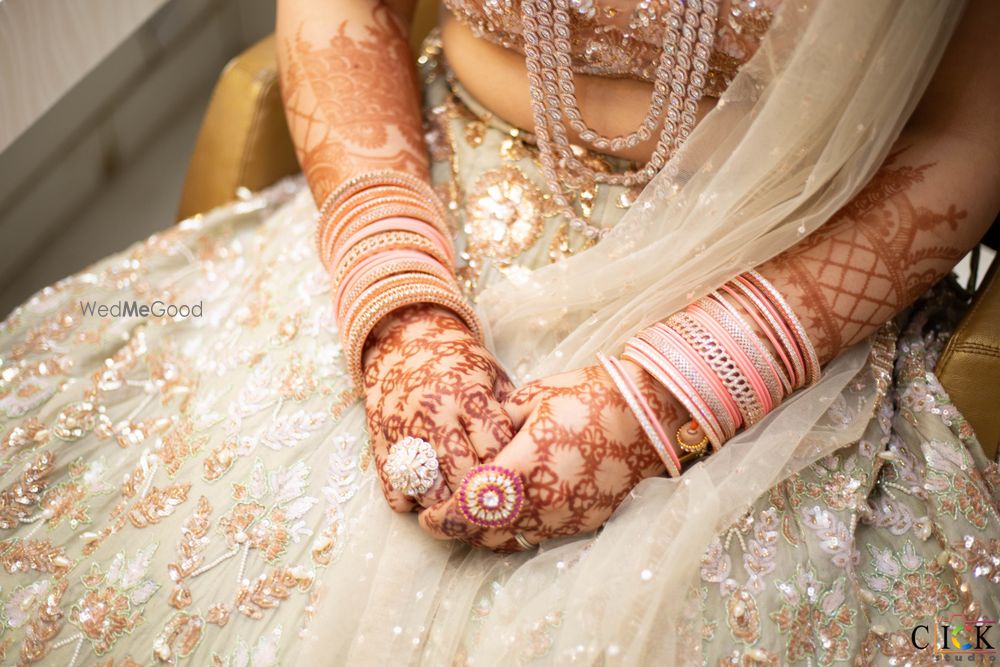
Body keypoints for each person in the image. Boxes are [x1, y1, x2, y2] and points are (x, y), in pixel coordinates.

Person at [0, 0, 997, 663]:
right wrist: (400, 305)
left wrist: (673, 391)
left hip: (782, 269)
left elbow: (969, 125)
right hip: (434, 192)